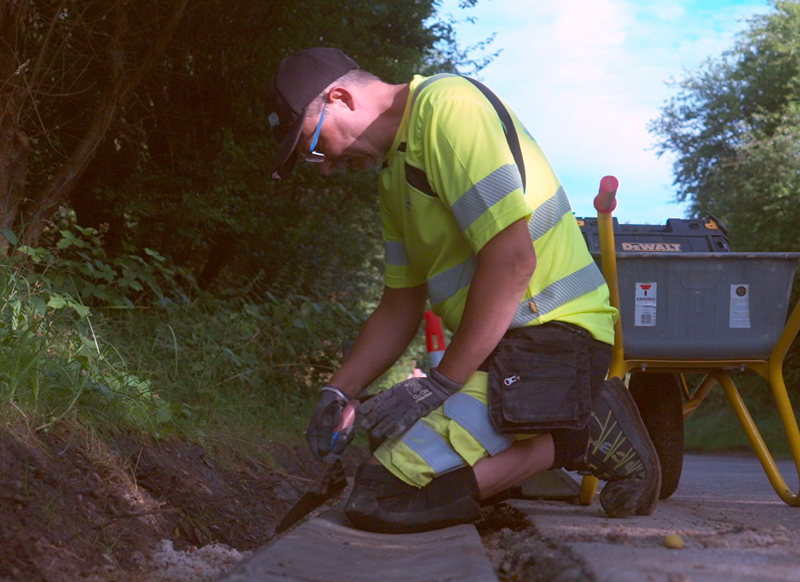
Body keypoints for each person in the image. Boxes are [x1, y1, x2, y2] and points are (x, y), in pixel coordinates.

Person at [268, 47, 660, 534]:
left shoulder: (449, 111)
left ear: (341, 98)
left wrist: (439, 385)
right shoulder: (395, 172)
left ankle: (579, 434)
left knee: (383, 494)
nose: (324, 167)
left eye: (313, 146)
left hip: (555, 339)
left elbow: (514, 262)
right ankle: (550, 430)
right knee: (384, 445)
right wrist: (337, 390)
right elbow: (400, 303)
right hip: (504, 351)